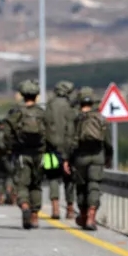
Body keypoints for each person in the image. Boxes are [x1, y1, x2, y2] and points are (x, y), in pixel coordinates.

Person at [63, 86, 113, 231]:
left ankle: (84, 216)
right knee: (94, 186)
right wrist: (108, 157)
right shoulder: (101, 118)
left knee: (81, 187)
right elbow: (108, 142)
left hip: (80, 158)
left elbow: (69, 140)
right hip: (97, 156)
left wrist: (66, 159)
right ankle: (92, 216)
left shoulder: (76, 119)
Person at [5, 80, 50, 229]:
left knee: (22, 184)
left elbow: (7, 134)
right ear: (36, 95)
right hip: (40, 154)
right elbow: (50, 134)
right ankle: (35, 217)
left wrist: (11, 149)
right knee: (36, 185)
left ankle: (25, 206)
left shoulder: (16, 113)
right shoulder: (42, 113)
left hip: (22, 154)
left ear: (23, 95)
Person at [44, 80, 77, 219]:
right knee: (69, 179)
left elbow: (44, 125)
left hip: (50, 148)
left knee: (52, 177)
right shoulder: (70, 107)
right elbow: (72, 128)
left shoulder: (49, 106)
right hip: (69, 148)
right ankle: (70, 209)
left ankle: (55, 208)